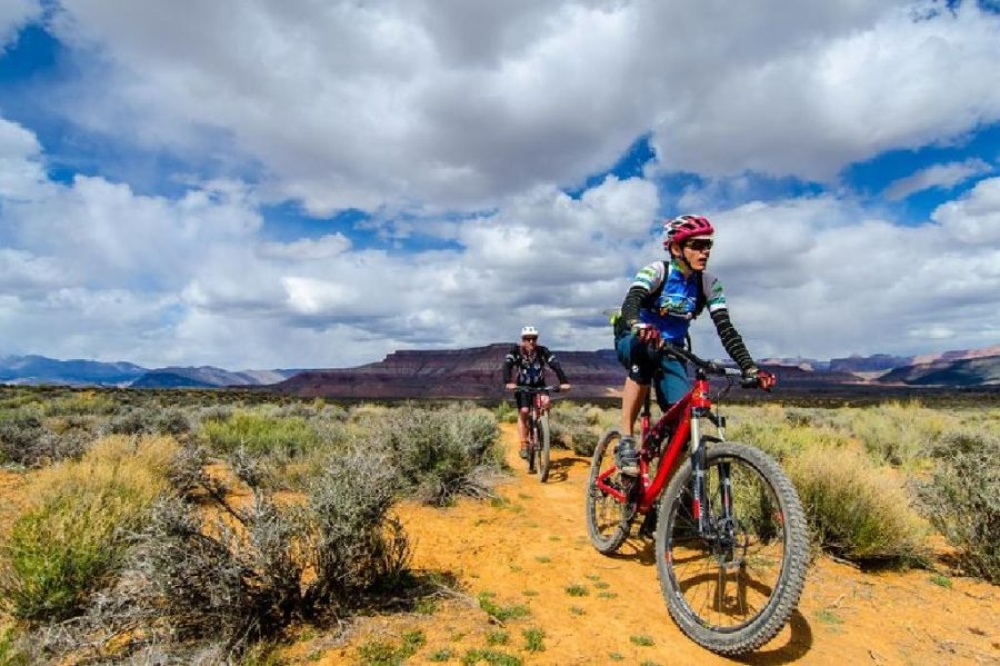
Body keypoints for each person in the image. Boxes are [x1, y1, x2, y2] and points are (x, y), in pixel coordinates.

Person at [613, 214, 775, 476]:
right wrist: (637, 324)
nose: (705, 251)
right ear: (677, 248)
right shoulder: (657, 271)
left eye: (708, 245)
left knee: (685, 424)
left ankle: (665, 493)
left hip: (672, 348)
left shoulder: (709, 284)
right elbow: (631, 301)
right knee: (644, 353)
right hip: (633, 337)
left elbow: (726, 328)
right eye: (697, 245)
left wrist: (750, 367)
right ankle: (626, 440)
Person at [503, 326, 572, 459]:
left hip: (539, 385)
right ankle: (523, 443)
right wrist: (508, 381)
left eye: (533, 338)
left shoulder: (542, 351)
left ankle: (541, 427)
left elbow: (555, 365)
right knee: (523, 411)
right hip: (522, 386)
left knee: (546, 403)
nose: (530, 342)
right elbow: (507, 365)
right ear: (522, 340)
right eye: (527, 339)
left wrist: (564, 381)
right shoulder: (515, 351)